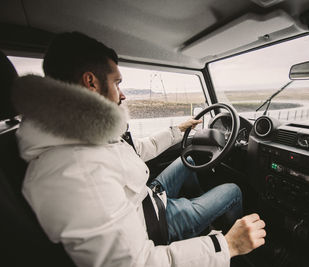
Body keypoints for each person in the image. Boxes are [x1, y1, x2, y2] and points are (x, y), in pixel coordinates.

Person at [12, 32, 266, 267]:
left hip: (147, 200)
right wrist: (228, 245)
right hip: (156, 224)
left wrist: (178, 130)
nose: (122, 95)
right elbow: (135, 263)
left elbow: (135, 152)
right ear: (91, 82)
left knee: (186, 158)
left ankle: (198, 217)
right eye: (117, 83)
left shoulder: (75, 131)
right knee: (232, 190)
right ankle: (243, 253)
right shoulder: (76, 172)